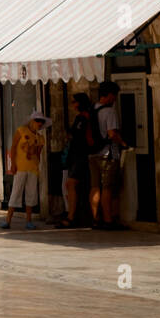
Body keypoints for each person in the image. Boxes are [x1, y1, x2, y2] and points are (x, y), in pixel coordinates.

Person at [89, 81, 127, 230]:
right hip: (107, 154)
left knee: (94, 187)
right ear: (110, 95)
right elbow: (112, 134)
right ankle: (108, 220)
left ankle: (95, 219)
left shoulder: (92, 108)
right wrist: (123, 142)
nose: (115, 99)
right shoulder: (109, 111)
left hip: (92, 154)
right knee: (107, 187)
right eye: (114, 95)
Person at [4, 111, 49, 230]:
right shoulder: (21, 131)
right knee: (16, 192)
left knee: (31, 194)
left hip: (33, 169)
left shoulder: (40, 138)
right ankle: (8, 220)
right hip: (20, 167)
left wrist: (36, 165)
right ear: (31, 120)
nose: (39, 123)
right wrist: (12, 164)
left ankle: (29, 220)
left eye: (41, 121)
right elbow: (13, 147)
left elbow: (38, 154)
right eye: (37, 120)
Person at [60, 93, 94, 228]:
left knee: (71, 184)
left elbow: (83, 136)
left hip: (81, 156)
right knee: (75, 186)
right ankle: (76, 215)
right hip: (76, 156)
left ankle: (71, 216)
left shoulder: (85, 117)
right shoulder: (80, 117)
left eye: (75, 102)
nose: (73, 105)